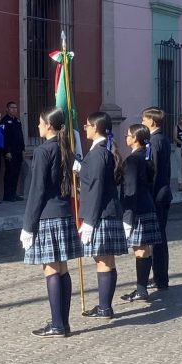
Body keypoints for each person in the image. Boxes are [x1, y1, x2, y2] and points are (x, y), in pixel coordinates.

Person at [20, 106, 81, 338]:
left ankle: (57, 325)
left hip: (48, 215)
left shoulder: (43, 150)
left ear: (48, 125)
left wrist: (28, 225)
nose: (37, 126)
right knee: (62, 268)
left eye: (40, 122)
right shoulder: (65, 147)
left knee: (51, 269)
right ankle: (63, 322)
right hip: (64, 212)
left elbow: (37, 190)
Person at [76, 112, 126, 319]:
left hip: (101, 214)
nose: (85, 128)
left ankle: (105, 307)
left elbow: (96, 187)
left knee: (103, 261)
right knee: (106, 260)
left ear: (95, 128)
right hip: (105, 212)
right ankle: (105, 306)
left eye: (87, 125)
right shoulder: (101, 151)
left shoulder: (98, 153)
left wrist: (89, 221)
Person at [119, 124, 161, 303]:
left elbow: (131, 189)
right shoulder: (145, 156)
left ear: (135, 138)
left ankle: (141, 289)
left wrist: (127, 218)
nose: (126, 137)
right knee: (145, 249)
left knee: (140, 250)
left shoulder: (133, 160)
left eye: (128, 135)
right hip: (147, 205)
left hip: (138, 209)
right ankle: (141, 288)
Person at [141, 107, 172, 291]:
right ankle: (160, 276)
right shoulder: (162, 139)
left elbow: (153, 171)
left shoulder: (153, 141)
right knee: (159, 237)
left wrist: (147, 195)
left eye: (144, 119)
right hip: (163, 192)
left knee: (157, 239)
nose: (142, 122)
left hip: (156, 195)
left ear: (152, 122)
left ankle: (160, 278)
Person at [2, 101, 25, 201]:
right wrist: (6, 151)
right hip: (10, 151)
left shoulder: (17, 121)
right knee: (9, 173)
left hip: (18, 151)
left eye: (15, 108)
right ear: (7, 109)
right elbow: (4, 137)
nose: (14, 109)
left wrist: (23, 149)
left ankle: (13, 193)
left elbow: (21, 136)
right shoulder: (4, 121)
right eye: (12, 108)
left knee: (16, 173)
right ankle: (7, 195)